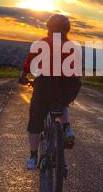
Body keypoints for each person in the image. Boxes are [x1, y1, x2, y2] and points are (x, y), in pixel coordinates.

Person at [19, 14, 81, 170]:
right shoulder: (72, 46)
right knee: (63, 101)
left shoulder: (43, 43)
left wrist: (24, 76)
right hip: (71, 85)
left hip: (45, 83)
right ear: (66, 30)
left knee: (35, 120)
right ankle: (66, 127)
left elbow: (30, 64)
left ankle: (33, 157)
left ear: (49, 28)